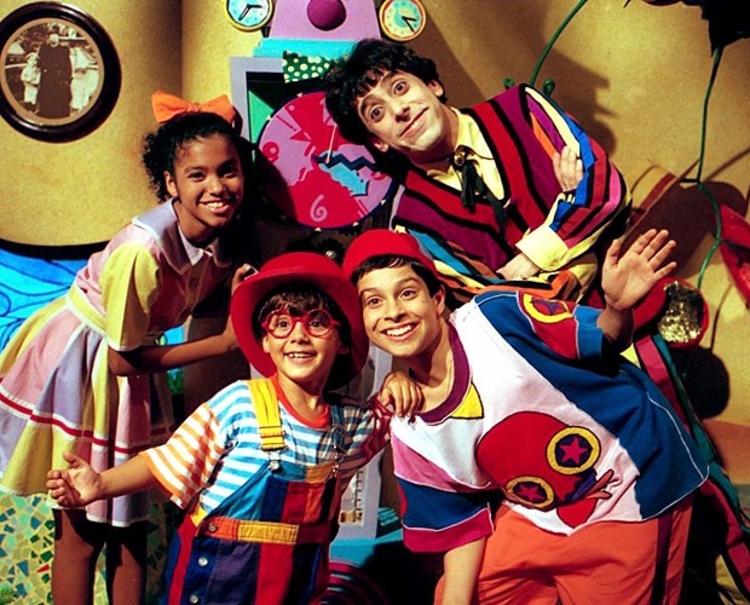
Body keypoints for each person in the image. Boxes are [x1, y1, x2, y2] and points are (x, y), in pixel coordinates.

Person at [341, 228, 709, 605]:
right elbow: (459, 525)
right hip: (540, 514)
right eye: (374, 301)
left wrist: (616, 309)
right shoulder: (408, 426)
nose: (393, 312)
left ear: (436, 299)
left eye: (407, 293)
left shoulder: (495, 318)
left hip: (630, 488)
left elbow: (600, 340)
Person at [46, 250, 421, 604]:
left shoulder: (350, 425)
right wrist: (100, 485)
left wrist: (399, 379)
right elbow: (165, 461)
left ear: (342, 342)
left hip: (294, 591)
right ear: (265, 341)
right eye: (281, 324)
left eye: (317, 323)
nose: (298, 335)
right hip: (216, 585)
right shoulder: (239, 405)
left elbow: (400, 407)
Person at [0, 92, 253, 605]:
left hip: (128, 368)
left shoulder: (216, 236)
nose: (217, 187)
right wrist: (222, 343)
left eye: (227, 170)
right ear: (170, 183)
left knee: (133, 528)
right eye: (198, 175)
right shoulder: (143, 250)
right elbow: (121, 359)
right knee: (81, 528)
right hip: (84, 366)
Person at [324, 38, 630, 305]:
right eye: (377, 112)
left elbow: (606, 190)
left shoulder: (523, 109)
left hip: (641, 291)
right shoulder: (415, 227)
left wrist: (528, 260)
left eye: (400, 88)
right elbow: (493, 304)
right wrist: (581, 243)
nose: (399, 110)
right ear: (377, 141)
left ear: (432, 84)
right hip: (568, 348)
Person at [36, 32, 72, 118]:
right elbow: (40, 61)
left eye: (55, 38)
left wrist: (67, 77)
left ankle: (60, 114)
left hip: (59, 78)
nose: (53, 39)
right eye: (51, 38)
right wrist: (43, 68)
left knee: (60, 96)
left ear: (58, 40)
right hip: (47, 77)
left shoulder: (63, 50)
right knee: (46, 95)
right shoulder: (44, 49)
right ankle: (45, 112)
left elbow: (67, 64)